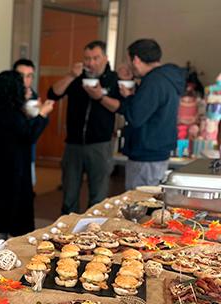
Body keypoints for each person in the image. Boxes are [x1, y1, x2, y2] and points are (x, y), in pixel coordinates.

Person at [0, 71, 54, 246]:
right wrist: (42, 114)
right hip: (13, 171)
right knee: (15, 210)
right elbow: (28, 135)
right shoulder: (11, 113)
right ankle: (14, 250)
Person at [47, 41, 121, 214]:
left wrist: (100, 97)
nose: (91, 63)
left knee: (98, 199)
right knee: (69, 196)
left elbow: (120, 106)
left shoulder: (113, 79)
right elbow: (53, 94)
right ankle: (65, 236)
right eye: (87, 58)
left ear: (105, 58)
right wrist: (71, 76)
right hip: (73, 144)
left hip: (100, 144)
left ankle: (94, 236)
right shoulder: (77, 77)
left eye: (96, 58)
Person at [118, 38, 186, 189]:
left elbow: (136, 117)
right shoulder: (168, 77)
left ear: (135, 60)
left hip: (146, 154)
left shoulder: (153, 81)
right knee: (151, 199)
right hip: (159, 151)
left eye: (128, 60)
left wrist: (129, 97)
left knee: (139, 201)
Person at [13, 58, 41, 187]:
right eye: (21, 76)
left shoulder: (33, 97)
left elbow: (34, 127)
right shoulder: (7, 95)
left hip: (28, 150)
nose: (25, 80)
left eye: (29, 76)